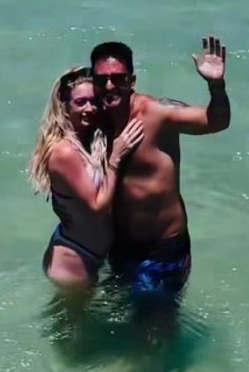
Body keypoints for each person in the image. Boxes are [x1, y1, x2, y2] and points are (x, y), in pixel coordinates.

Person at [90, 35, 231, 302]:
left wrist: (216, 85)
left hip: (162, 248)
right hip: (118, 245)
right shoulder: (91, 119)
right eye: (101, 80)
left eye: (118, 79)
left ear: (131, 81)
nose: (110, 86)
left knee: (154, 333)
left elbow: (217, 121)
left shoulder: (159, 114)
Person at [28, 67, 143, 289]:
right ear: (65, 106)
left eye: (94, 101)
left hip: (91, 252)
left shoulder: (91, 141)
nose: (89, 109)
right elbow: (97, 205)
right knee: (71, 324)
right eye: (80, 102)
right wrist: (116, 158)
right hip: (73, 259)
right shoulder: (64, 152)